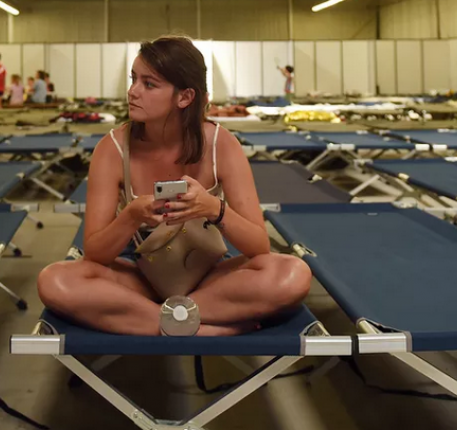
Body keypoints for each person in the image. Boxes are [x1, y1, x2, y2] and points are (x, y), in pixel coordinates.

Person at [36, 36, 311, 336]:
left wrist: (212, 208)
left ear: (184, 97)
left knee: (292, 274)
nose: (132, 92)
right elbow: (96, 254)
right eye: (133, 80)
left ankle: (158, 319)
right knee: (54, 280)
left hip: (208, 281)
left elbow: (259, 248)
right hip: (140, 279)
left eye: (149, 84)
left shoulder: (222, 145)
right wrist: (131, 216)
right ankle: (196, 325)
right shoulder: (112, 148)